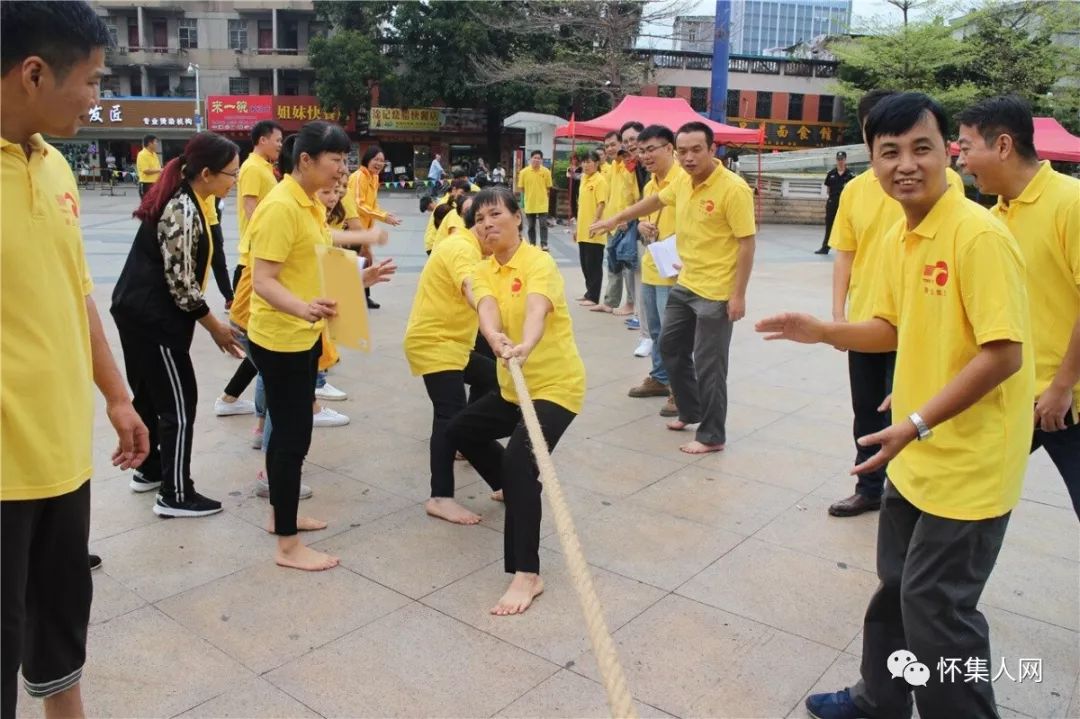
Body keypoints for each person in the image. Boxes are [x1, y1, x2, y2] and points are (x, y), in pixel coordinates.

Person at [756, 92, 1034, 719]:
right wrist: (825, 330)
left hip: (967, 464)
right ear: (872, 163)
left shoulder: (976, 235)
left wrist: (914, 420)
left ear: (948, 153)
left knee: (938, 613)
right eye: (889, 153)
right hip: (916, 453)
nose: (905, 164)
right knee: (895, 591)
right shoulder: (910, 232)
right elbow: (892, 326)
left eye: (921, 148)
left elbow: (1004, 354)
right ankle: (878, 700)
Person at [2, 3, 149, 716]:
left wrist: (117, 395)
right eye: (91, 81)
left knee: (61, 634)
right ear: (34, 73)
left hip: (63, 458)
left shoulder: (56, 164)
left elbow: (77, 292)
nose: (99, 98)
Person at [825, 90, 966, 518]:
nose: (903, 161)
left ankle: (910, 491)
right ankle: (870, 487)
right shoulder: (855, 191)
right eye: (883, 140)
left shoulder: (948, 186)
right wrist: (836, 317)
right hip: (870, 319)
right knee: (866, 408)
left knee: (915, 407)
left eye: (915, 143)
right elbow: (845, 252)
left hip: (922, 321)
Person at [447, 187, 585, 615]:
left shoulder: (538, 261)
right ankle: (513, 490)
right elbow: (486, 305)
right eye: (478, 219)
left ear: (517, 216)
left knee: (519, 462)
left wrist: (525, 343)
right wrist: (492, 337)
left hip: (554, 387)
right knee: (460, 431)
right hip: (513, 387)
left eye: (494, 214)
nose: (486, 224)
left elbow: (537, 309)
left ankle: (528, 573)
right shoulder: (485, 268)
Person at [591, 121, 756, 455]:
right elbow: (653, 202)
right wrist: (615, 219)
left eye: (697, 150)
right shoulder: (683, 183)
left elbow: (746, 243)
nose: (689, 157)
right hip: (686, 280)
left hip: (717, 290)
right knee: (669, 346)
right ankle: (690, 409)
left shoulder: (733, 189)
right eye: (683, 151)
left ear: (713, 149)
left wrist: (738, 294)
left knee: (711, 364)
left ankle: (712, 435)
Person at [957, 95, 1080, 518]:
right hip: (1015, 394)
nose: (961, 161)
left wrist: (1062, 387)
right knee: (965, 489)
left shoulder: (1071, 203)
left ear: (1004, 146)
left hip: (1068, 401)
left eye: (967, 147)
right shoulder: (996, 217)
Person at [112, 132, 245, 516]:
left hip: (136, 311)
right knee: (178, 404)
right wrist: (215, 328)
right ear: (206, 173)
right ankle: (175, 494)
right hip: (154, 320)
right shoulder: (183, 208)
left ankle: (150, 469)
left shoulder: (191, 198)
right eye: (230, 175)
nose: (233, 182)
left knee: (152, 398)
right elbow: (182, 285)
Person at [246, 121, 352, 570]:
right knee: (292, 436)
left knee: (293, 433)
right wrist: (302, 307)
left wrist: (358, 280)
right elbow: (264, 281)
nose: (342, 171)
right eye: (336, 162)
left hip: (303, 334)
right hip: (282, 338)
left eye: (345, 162)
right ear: (305, 161)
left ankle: (279, 516)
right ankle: (287, 547)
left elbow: (313, 264)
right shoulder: (280, 208)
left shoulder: (309, 205)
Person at [405, 194, 499, 525]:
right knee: (449, 415)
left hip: (455, 344)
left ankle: (499, 474)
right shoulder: (463, 248)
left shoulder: (473, 247)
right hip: (434, 342)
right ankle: (440, 496)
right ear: (481, 227)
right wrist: (492, 329)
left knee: (498, 383)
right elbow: (471, 286)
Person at [215, 119, 283, 421]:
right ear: (262, 139)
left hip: (260, 255)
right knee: (256, 337)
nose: (279, 144)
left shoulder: (263, 167)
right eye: (277, 139)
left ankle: (231, 398)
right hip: (255, 256)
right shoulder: (254, 167)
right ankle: (241, 403)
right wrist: (272, 239)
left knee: (260, 339)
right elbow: (251, 208)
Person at [627, 125, 686, 419]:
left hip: (675, 269)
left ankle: (681, 389)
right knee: (657, 331)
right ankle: (660, 378)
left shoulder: (684, 180)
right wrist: (641, 226)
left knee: (676, 334)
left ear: (669, 148)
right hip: (652, 265)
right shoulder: (650, 185)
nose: (645, 156)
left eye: (651, 149)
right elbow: (641, 216)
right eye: (641, 150)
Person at [348, 145, 402, 310]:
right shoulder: (359, 177)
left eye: (381, 160)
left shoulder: (374, 178)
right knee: (354, 263)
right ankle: (352, 298)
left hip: (366, 229)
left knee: (365, 262)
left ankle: (365, 297)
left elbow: (372, 204)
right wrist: (383, 217)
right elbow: (358, 205)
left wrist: (384, 215)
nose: (379, 163)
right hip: (352, 228)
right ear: (367, 160)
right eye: (376, 159)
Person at [591, 130, 632, 313]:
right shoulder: (613, 166)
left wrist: (627, 218)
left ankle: (631, 304)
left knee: (629, 266)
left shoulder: (629, 166)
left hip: (626, 223)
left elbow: (634, 196)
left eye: (613, 144)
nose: (609, 149)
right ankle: (610, 302)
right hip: (612, 223)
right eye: (606, 146)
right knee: (613, 264)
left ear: (621, 144)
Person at [574, 150, 608, 307]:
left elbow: (601, 203)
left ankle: (594, 297)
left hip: (594, 229)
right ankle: (589, 292)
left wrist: (595, 223)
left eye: (589, 161)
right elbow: (580, 205)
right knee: (584, 264)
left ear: (596, 163)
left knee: (594, 264)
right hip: (582, 228)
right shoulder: (583, 179)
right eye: (584, 162)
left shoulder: (600, 180)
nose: (586, 165)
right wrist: (576, 227)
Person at [815, 150, 855, 255]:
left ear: (845, 160)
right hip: (832, 202)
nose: (840, 161)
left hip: (845, 204)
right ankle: (825, 247)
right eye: (838, 159)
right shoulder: (831, 174)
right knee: (829, 225)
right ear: (836, 160)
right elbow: (828, 189)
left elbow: (853, 191)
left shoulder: (850, 175)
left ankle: (845, 249)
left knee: (846, 227)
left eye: (842, 159)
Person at [517, 150, 553, 250]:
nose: (536, 160)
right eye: (535, 158)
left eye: (539, 158)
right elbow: (521, 188)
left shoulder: (546, 171)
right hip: (530, 202)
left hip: (542, 203)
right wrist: (524, 202)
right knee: (531, 226)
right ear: (531, 159)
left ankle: (544, 244)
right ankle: (532, 244)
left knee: (543, 224)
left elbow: (548, 187)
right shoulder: (524, 172)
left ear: (541, 160)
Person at [136, 133, 161, 198]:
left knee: (155, 205)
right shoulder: (142, 154)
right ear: (150, 143)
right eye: (155, 142)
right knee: (147, 205)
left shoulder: (154, 154)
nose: (157, 144)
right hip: (146, 184)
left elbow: (158, 168)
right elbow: (146, 170)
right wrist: (160, 170)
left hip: (156, 183)